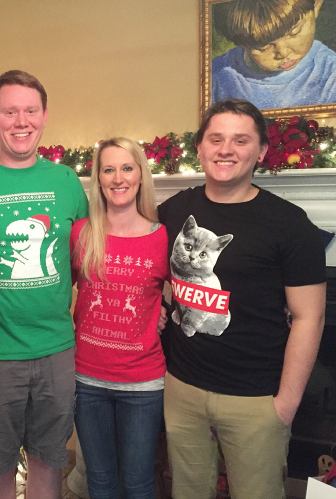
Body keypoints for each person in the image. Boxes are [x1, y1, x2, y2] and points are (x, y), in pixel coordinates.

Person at [158, 98, 326, 499]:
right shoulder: (174, 210)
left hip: (256, 398)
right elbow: (141, 265)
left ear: (261, 151)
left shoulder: (289, 224)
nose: (226, 150)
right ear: (199, 148)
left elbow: (309, 318)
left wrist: (285, 404)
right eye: (215, 139)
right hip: (182, 389)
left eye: (240, 140)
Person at [0, 70, 88, 499]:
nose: (21, 121)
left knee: (49, 459)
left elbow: (85, 257)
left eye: (30, 111)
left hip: (56, 349)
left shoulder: (66, 182)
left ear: (44, 115)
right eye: (10, 111)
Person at [71, 137, 168, 499]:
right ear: (98, 179)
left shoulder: (161, 236)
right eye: (108, 169)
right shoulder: (81, 233)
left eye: (127, 168)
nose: (118, 178)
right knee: (99, 480)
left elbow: (189, 290)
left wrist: (163, 310)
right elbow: (56, 291)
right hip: (87, 379)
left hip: (142, 383)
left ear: (141, 175)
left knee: (138, 483)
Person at [211, 0, 336, 108]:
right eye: (263, 47)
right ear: (242, 44)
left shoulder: (331, 73)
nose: (283, 53)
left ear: (316, 5)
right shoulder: (215, 77)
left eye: (294, 32)